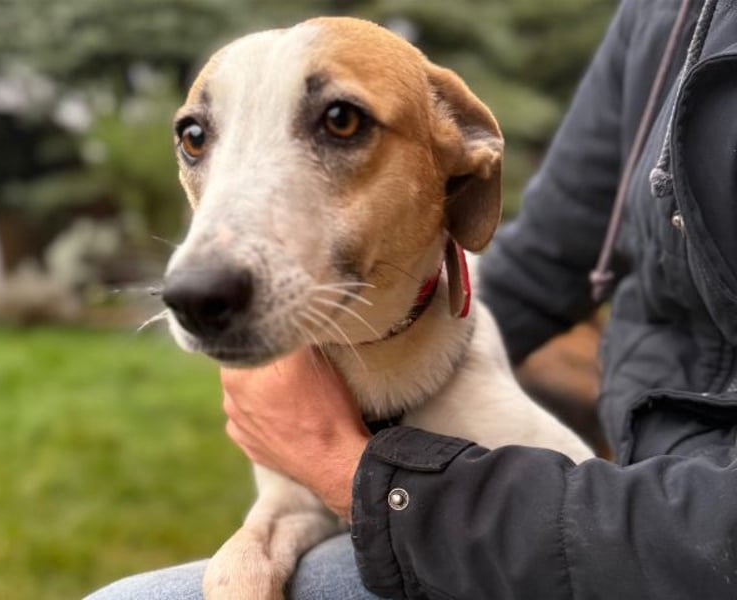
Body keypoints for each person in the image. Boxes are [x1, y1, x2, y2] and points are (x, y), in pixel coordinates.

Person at [87, 0, 737, 597]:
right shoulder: (666, 10)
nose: (197, 279)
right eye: (198, 137)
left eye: (340, 122)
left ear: (455, 144)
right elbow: (553, 245)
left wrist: (346, 465)